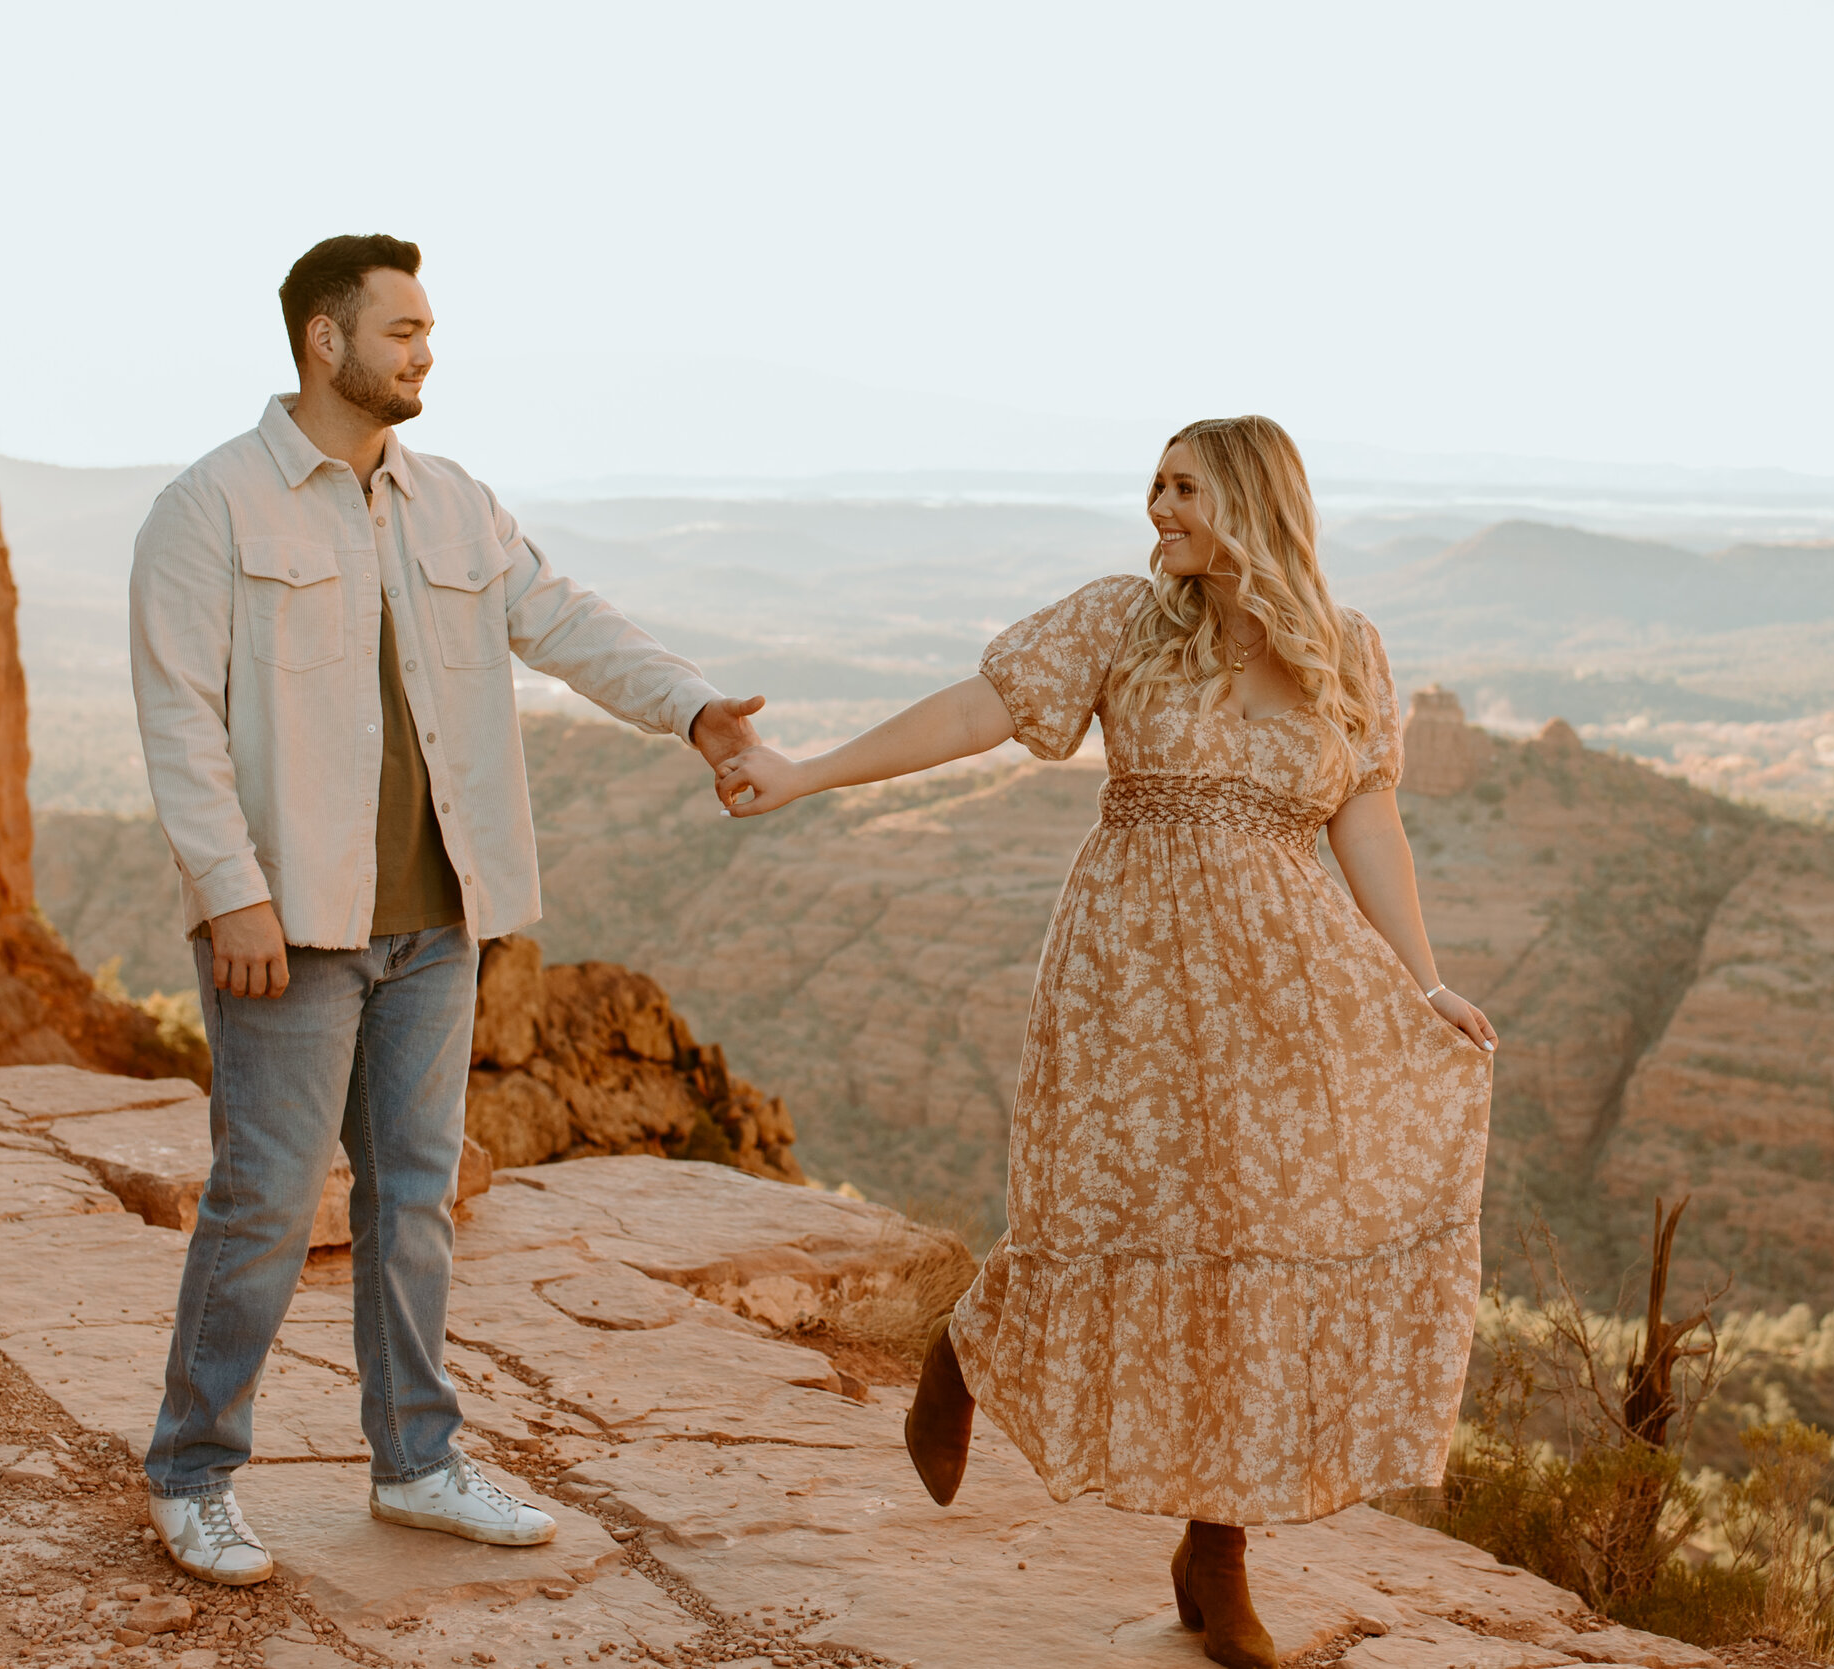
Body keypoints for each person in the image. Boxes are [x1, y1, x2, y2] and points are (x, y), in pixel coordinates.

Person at [710, 416, 1495, 1669]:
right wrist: (805, 773)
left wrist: (1425, 982)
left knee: (1257, 1233)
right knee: (1107, 1203)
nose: (1157, 509)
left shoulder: (1347, 651)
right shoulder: (1121, 621)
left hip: (1284, 979)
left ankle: (1217, 1548)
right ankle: (968, 1346)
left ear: (1247, 499)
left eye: (1183, 488)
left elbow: (1370, 826)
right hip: (1129, 964)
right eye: (1156, 485)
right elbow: (974, 712)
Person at [127, 234, 765, 1585]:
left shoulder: (453, 503)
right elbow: (178, 717)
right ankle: (193, 1471)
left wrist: (693, 708)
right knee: (264, 1200)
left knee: (414, 1202)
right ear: (324, 340)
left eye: (427, 331)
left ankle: (417, 1460)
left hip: (437, 924)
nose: (425, 353)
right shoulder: (213, 507)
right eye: (403, 330)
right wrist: (230, 891)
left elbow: (564, 618)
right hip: (291, 926)